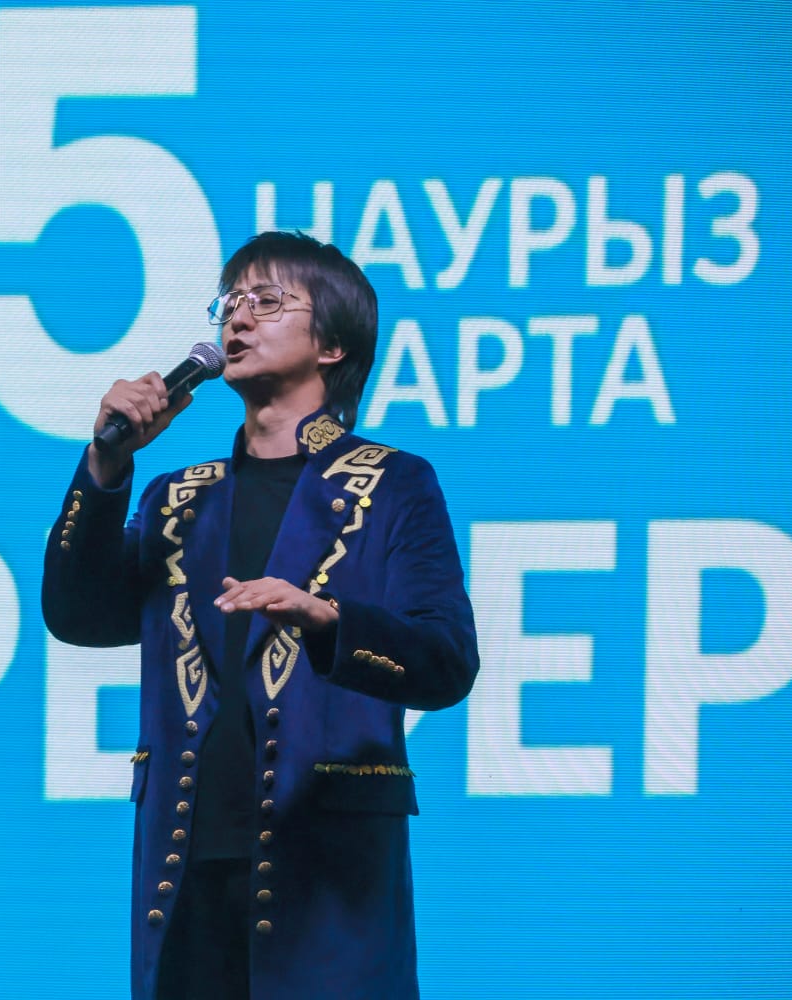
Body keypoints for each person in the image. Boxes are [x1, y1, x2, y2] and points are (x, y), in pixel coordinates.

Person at [42, 232, 479, 1000]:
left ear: (333, 345)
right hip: (185, 875)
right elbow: (79, 615)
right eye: (231, 302)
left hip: (328, 877)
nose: (237, 319)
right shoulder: (178, 497)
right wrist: (107, 467)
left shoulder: (393, 484)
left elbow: (446, 662)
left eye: (268, 301)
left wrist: (331, 622)